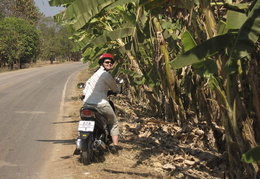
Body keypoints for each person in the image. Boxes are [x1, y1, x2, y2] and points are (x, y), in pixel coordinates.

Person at [82, 53, 120, 154]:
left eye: (111, 62)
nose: (109, 64)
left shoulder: (94, 75)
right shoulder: (106, 75)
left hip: (87, 104)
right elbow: (115, 88)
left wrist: (84, 95)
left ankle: (83, 141)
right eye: (107, 62)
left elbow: (87, 87)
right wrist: (117, 90)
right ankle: (115, 146)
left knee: (84, 120)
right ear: (102, 63)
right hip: (101, 104)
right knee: (113, 122)